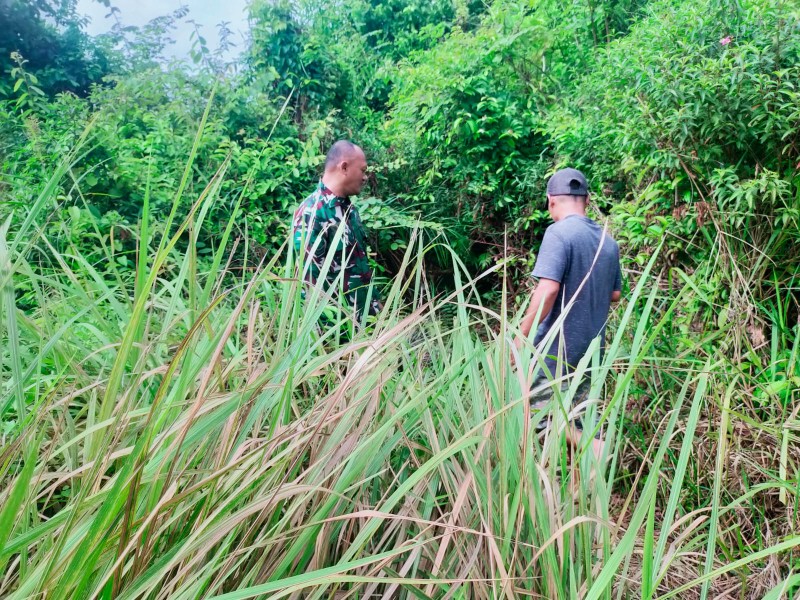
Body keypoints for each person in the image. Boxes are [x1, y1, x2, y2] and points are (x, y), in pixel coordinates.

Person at [515, 168, 622, 458]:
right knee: (578, 414)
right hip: (591, 352)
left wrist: (519, 337)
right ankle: (581, 494)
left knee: (537, 416)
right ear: (587, 200)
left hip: (555, 349)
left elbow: (547, 290)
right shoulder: (608, 243)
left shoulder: (558, 232)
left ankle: (598, 449)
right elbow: (615, 294)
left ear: (551, 201)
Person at [292, 140, 381, 328]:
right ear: (345, 167)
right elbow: (308, 284)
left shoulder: (349, 210)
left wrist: (375, 304)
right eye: (363, 170)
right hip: (337, 331)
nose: (365, 177)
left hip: (364, 323)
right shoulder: (313, 213)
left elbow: (359, 266)